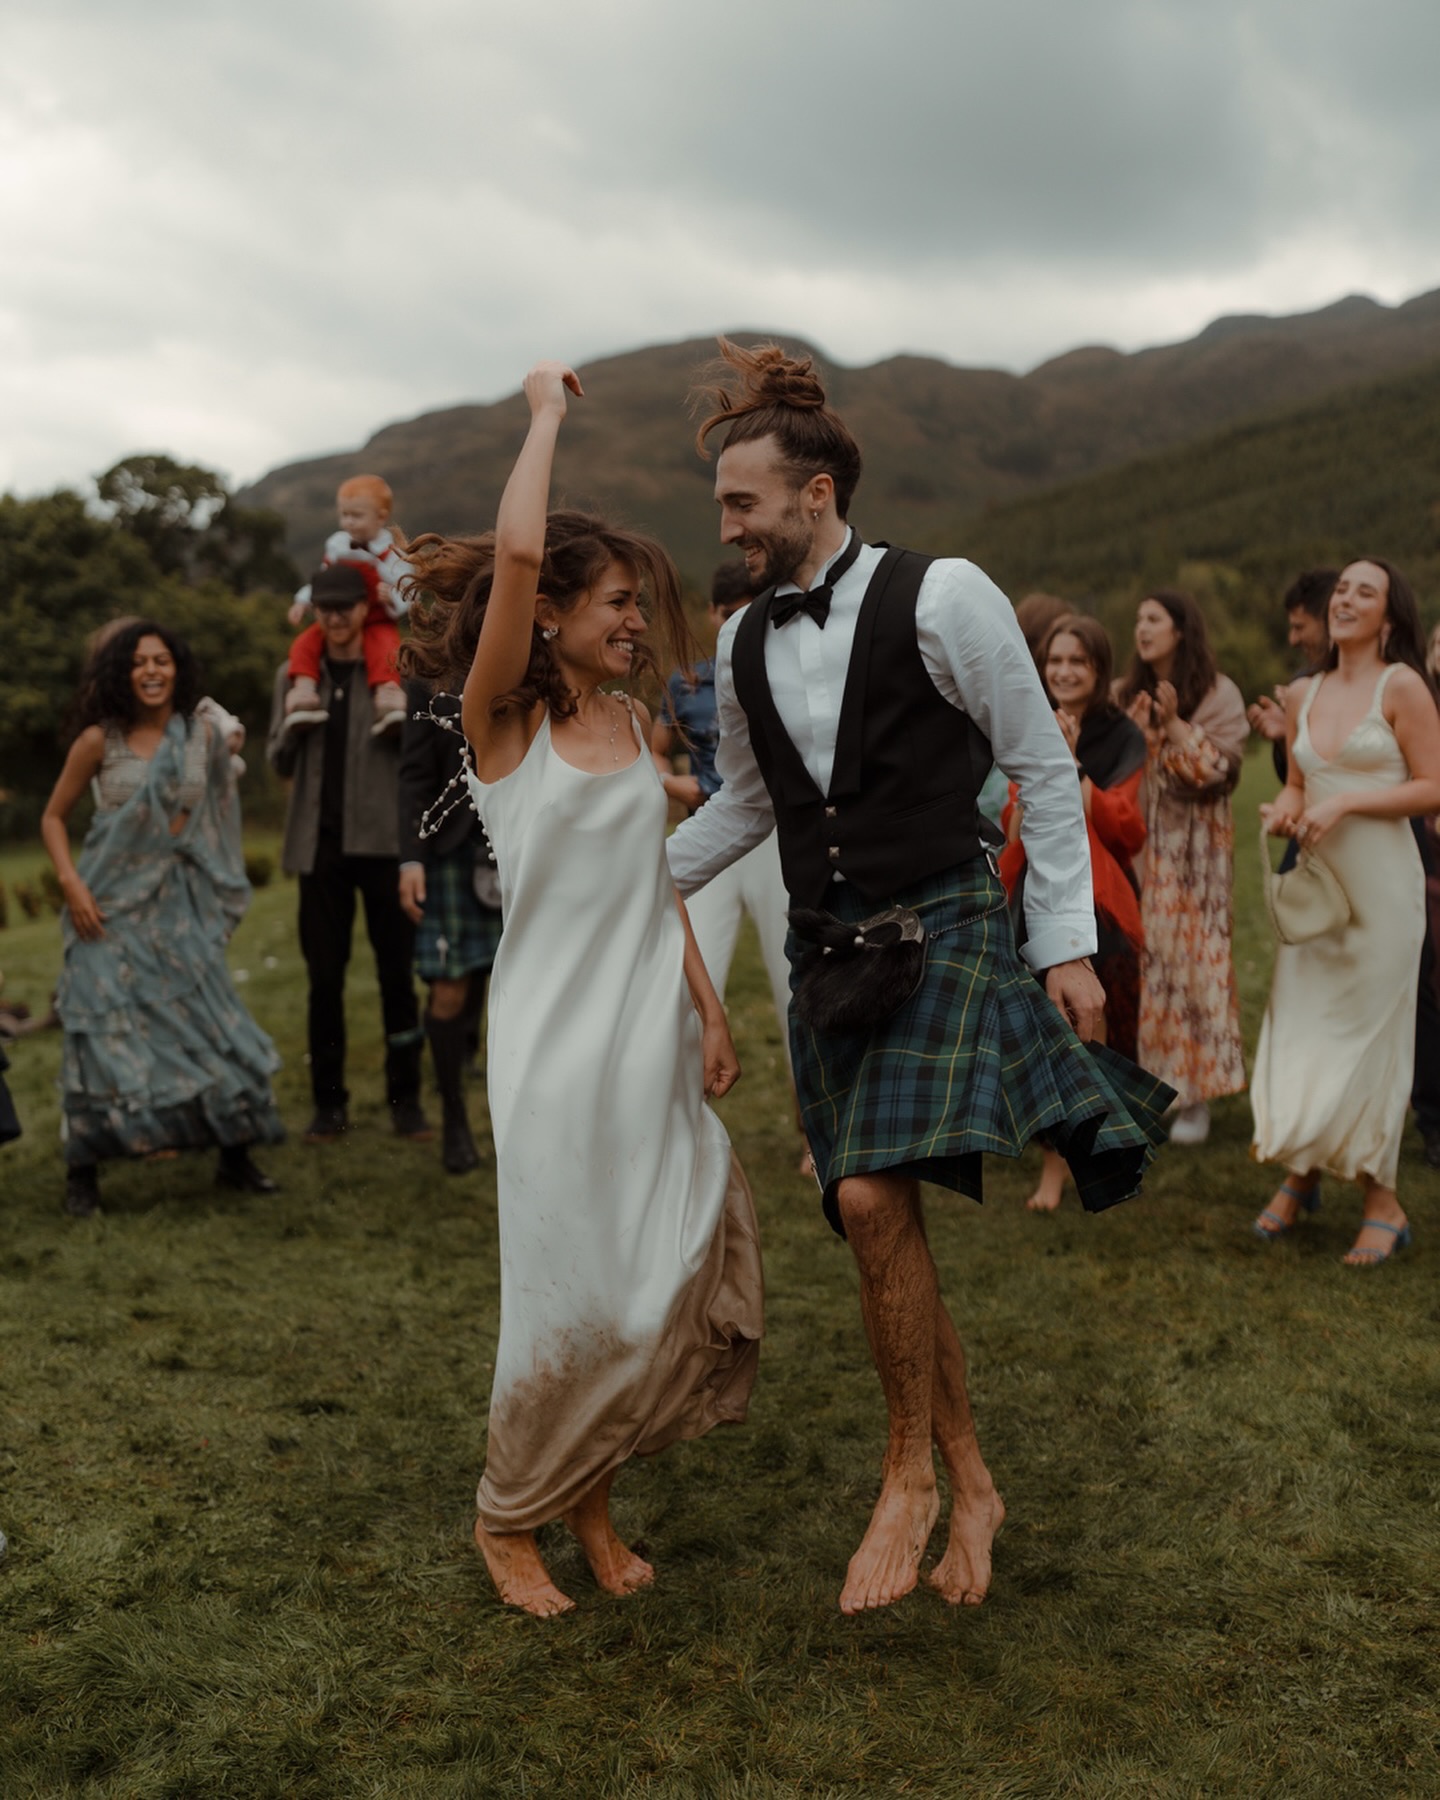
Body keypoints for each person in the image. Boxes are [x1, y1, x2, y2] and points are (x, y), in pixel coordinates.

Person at [668, 339, 1172, 1616]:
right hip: (829, 953)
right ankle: (969, 1474)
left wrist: (1061, 946)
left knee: (879, 1206)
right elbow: (744, 800)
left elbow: (1042, 772)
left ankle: (905, 1477)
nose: (725, 525)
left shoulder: (946, 595)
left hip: (944, 924)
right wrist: (627, 881)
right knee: (871, 1214)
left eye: (742, 503)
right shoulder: (739, 646)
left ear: (815, 495)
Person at [401, 361, 763, 1618]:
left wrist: (709, 1012)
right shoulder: (504, 728)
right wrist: (544, 416)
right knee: (571, 1284)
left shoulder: (637, 725)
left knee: (648, 1270)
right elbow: (511, 557)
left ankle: (594, 1505)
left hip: (648, 1034)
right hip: (554, 1045)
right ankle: (511, 1519)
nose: (634, 624)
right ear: (552, 614)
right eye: (615, 604)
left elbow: (658, 883)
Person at [40, 621, 282, 1216]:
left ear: (178, 670)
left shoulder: (199, 735)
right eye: (139, 662)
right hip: (106, 909)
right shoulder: (100, 740)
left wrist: (216, 884)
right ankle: (84, 1172)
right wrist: (71, 885)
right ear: (122, 673)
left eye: (162, 660)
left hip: (178, 911)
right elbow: (52, 818)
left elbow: (221, 811)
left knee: (206, 1024)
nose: (151, 670)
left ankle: (233, 1154)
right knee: (101, 1033)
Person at [1250, 558, 1440, 1263]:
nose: (1346, 599)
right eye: (1343, 590)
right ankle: (1301, 1173)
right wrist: (1284, 809)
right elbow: (1300, 784)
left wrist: (1351, 799)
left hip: (1385, 895)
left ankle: (1382, 1201)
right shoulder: (1305, 692)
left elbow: (1434, 787)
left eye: (1367, 591)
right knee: (1307, 1028)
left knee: (1371, 1044)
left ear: (1389, 618)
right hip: (1321, 888)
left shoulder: (1404, 686)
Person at [652, 560, 808, 1169]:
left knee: (792, 981)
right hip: (707, 836)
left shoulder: (782, 671)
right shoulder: (684, 682)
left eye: (753, 610)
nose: (743, 622)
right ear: (715, 617)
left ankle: (811, 1135)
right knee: (689, 980)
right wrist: (677, 789)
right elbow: (653, 758)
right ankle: (674, 1130)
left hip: (773, 842)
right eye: (732, 612)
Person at [266, 564, 430, 1143]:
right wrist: (293, 727)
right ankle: (328, 1107)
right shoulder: (294, 674)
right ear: (315, 610)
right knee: (324, 980)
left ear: (366, 608)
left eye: (346, 607)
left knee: (396, 978)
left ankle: (405, 1103)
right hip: (319, 849)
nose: (335, 619)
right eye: (325, 608)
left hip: (385, 844)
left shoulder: (395, 672)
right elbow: (277, 760)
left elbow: (419, 757)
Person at [1000, 614, 1148, 1211]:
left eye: (1076, 661)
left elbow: (1126, 828)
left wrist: (1071, 767)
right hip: (1036, 897)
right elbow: (1015, 825)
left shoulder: (1122, 737)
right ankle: (1055, 1166)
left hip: (1105, 900)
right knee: (1046, 1029)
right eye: (1055, 660)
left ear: (1099, 669)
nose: (1062, 671)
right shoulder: (1026, 725)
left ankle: (1110, 1146)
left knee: (1102, 1028)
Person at [1117, 590, 1249, 1145]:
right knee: (1147, 973)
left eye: (1154, 619)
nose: (1142, 629)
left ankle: (1196, 1097)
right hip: (1137, 847)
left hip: (1194, 861)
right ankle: (1156, 1085)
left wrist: (1172, 726)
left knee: (1195, 971)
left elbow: (1213, 770)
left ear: (1180, 630)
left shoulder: (1218, 694)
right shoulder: (1126, 694)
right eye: (1139, 619)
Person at [397, 676, 502, 1175]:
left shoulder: (534, 646)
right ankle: (455, 1119)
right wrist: (410, 858)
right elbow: (415, 770)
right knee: (449, 988)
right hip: (454, 847)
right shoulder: (429, 672)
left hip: (521, 840)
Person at [284, 475, 411, 736]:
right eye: (344, 515)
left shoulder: (394, 553)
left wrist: (393, 598)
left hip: (377, 617)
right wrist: (302, 601)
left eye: (357, 515)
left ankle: (387, 698)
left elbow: (410, 589)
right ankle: (304, 691)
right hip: (338, 612)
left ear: (380, 517)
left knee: (386, 649)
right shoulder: (338, 545)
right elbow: (324, 578)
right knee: (305, 643)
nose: (349, 522)